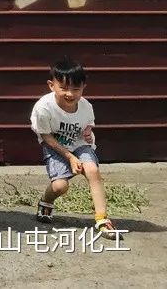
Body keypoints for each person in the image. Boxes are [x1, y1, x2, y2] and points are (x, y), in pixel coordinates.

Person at [30, 57, 121, 239]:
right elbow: (46, 137)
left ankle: (102, 219)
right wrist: (70, 157)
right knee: (60, 186)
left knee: (92, 170)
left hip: (79, 144)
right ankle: (46, 201)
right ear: (51, 85)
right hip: (55, 146)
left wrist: (88, 132)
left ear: (83, 87)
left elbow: (88, 124)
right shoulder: (43, 108)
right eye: (63, 88)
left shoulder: (86, 106)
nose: (70, 94)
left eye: (76, 89)